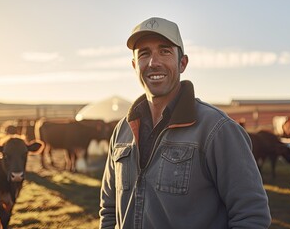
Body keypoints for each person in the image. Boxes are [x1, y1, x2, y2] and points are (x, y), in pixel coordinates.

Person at [99, 17, 271, 229]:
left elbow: (251, 215)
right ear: (135, 65)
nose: (154, 62)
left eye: (165, 51)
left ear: (183, 63)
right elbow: (109, 209)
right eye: (144, 53)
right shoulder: (122, 130)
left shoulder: (217, 129)